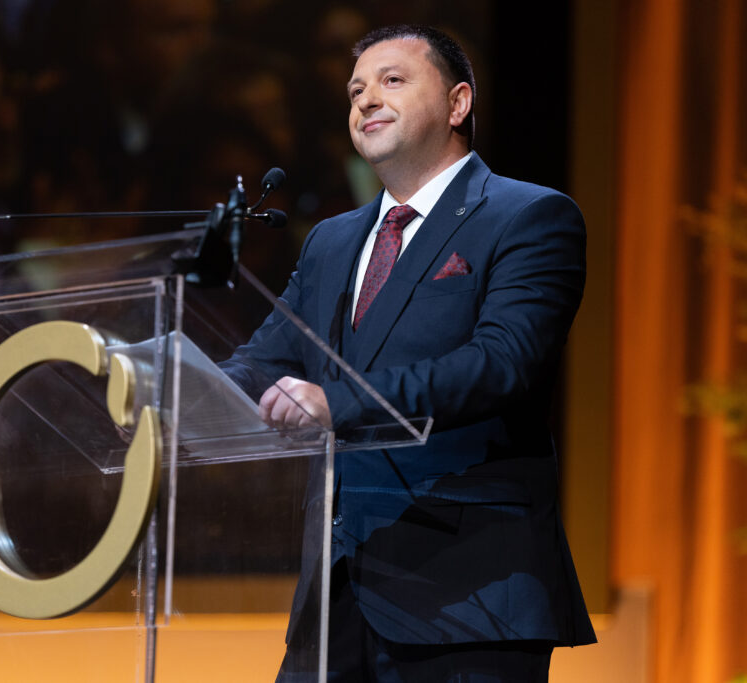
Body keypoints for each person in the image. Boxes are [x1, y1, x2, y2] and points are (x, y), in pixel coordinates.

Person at [222, 24, 596, 681]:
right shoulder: (331, 241)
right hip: (336, 597)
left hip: (469, 594)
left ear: (458, 103)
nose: (367, 99)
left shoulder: (529, 216)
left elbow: (502, 362)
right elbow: (265, 359)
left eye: (392, 80)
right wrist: (170, 383)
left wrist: (335, 402)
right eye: (355, 91)